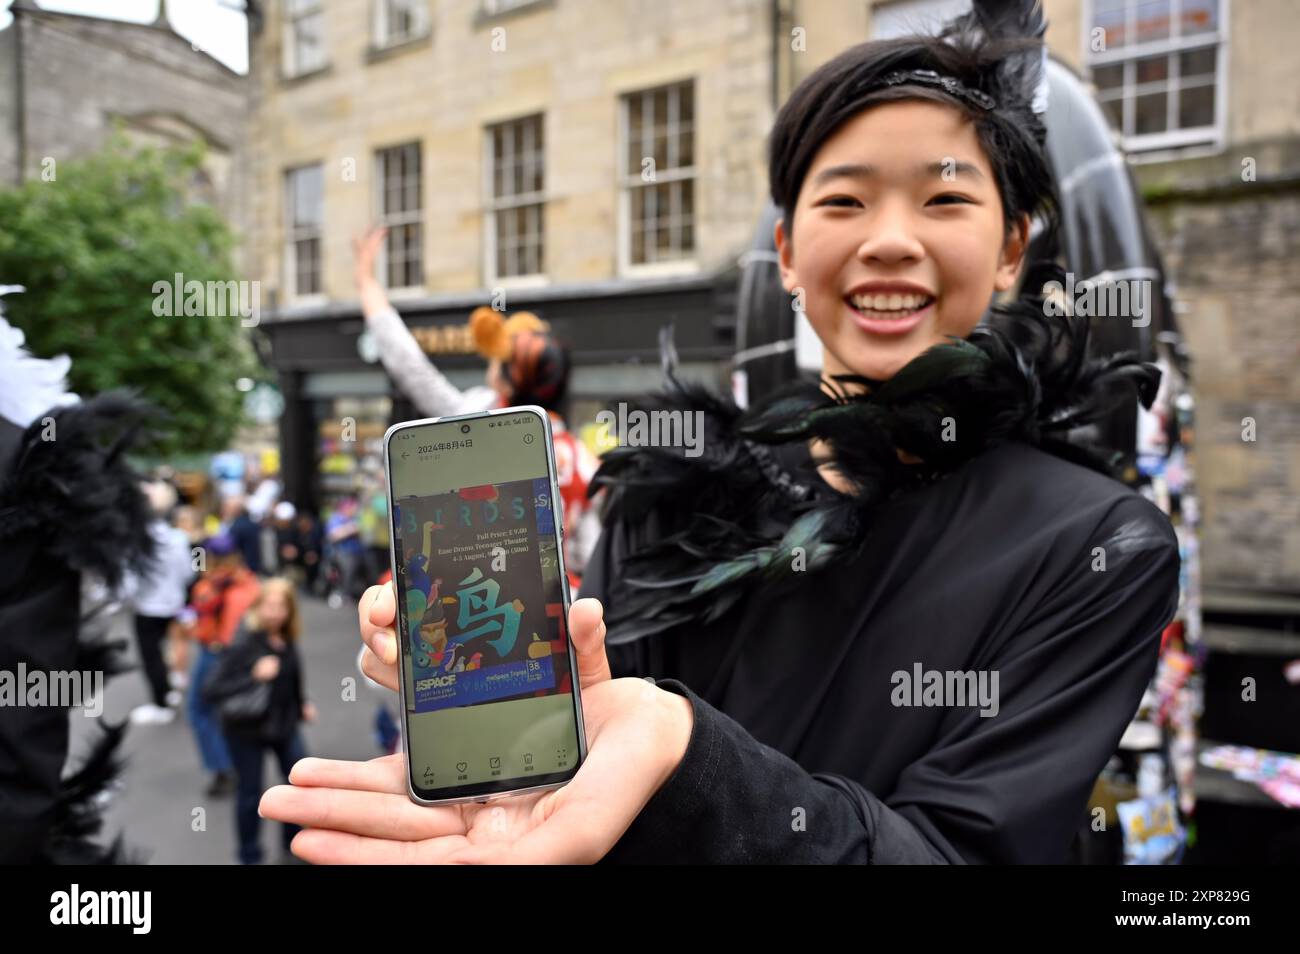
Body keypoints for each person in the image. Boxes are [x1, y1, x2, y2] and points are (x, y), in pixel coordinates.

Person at [260, 4, 1182, 864]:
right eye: (844, 201)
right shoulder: (666, 489)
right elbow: (594, 756)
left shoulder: (1101, 547)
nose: (891, 239)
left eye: (944, 201)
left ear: (1014, 247)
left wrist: (685, 755)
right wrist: (519, 731)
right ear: (785, 252)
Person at [352, 228, 603, 586]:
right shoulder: (582, 461)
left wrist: (365, 283)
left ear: (506, 378)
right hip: (556, 609)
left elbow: (411, 367)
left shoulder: (476, 421)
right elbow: (590, 558)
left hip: (472, 591)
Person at [203, 578, 315, 864]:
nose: (276, 612)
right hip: (245, 730)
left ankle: (293, 846)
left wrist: (301, 704)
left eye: (282, 607)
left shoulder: (285, 637)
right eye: (270, 605)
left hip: (283, 723)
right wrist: (253, 674)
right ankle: (249, 856)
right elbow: (211, 689)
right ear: (258, 606)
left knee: (296, 784)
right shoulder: (244, 640)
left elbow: (293, 673)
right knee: (250, 792)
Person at [186, 533, 261, 796]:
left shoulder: (222, 587)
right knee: (224, 713)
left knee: (200, 711)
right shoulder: (245, 581)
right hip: (234, 655)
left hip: (218, 655)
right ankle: (234, 764)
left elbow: (227, 632)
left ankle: (223, 768)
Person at [126, 480, 195, 725]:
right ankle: (170, 688)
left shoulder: (137, 541)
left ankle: (161, 702)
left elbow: (129, 581)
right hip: (173, 603)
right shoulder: (178, 538)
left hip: (148, 607)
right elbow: (189, 572)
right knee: (174, 644)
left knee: (152, 655)